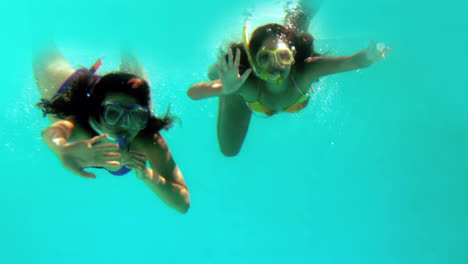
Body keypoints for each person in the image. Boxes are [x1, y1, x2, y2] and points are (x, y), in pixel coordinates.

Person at [187, 1, 392, 157]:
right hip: (243, 94)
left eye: (283, 56)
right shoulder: (248, 83)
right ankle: (222, 73)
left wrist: (370, 56)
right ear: (256, 62)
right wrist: (225, 88)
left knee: (295, 29)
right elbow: (193, 92)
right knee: (228, 150)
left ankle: (302, 11)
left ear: (293, 58)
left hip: (258, 90)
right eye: (265, 57)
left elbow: (352, 62)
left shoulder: (306, 72)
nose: (276, 65)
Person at [33, 42, 190, 213]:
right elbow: (52, 132)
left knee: (134, 81)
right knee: (40, 45)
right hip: (71, 92)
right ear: (97, 114)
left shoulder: (144, 138)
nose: (125, 125)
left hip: (120, 94)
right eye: (114, 114)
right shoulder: (80, 126)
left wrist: (148, 175)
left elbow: (183, 204)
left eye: (137, 116)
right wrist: (63, 148)